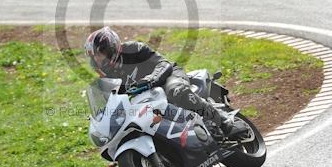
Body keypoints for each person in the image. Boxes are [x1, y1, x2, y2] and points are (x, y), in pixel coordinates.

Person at [84, 26, 237, 137]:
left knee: (176, 91)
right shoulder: (106, 78)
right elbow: (113, 102)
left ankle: (223, 121)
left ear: (111, 47)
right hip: (149, 97)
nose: (98, 59)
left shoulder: (133, 49)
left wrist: (151, 79)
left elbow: (163, 64)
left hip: (168, 77)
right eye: (95, 57)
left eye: (100, 54)